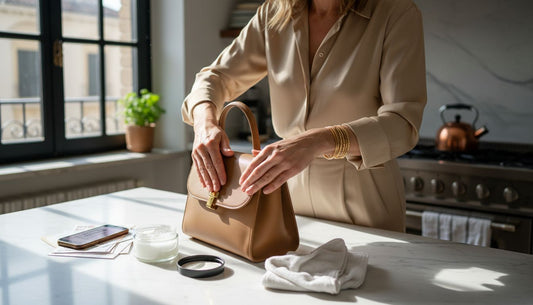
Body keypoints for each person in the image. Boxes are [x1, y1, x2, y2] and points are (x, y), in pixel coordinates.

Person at [181, 0, 426, 232]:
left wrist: (316, 141)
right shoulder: (273, 14)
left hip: (365, 201)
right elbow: (215, 77)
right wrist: (204, 124)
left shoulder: (395, 13)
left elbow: (403, 122)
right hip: (286, 196)